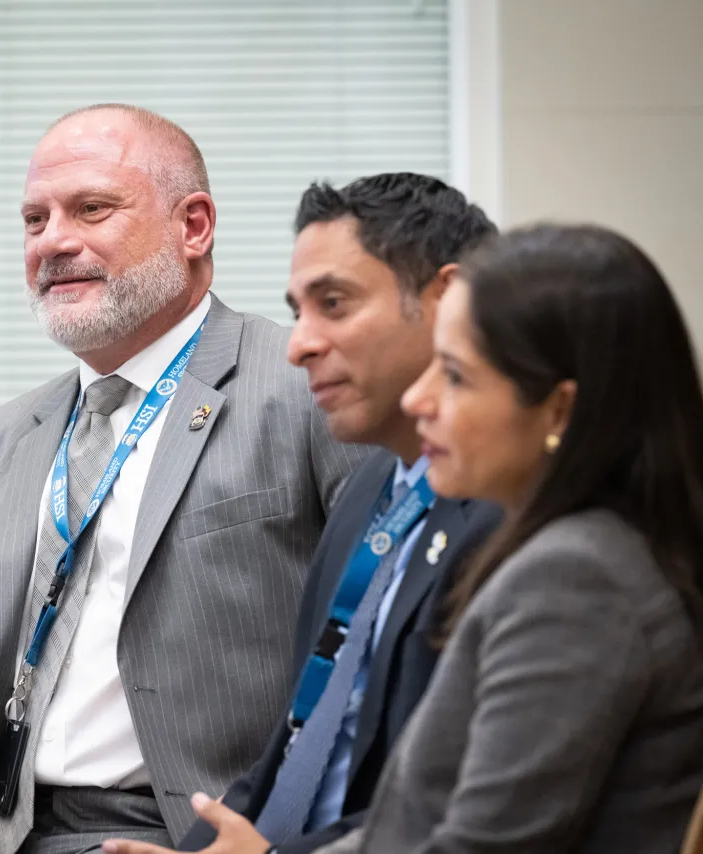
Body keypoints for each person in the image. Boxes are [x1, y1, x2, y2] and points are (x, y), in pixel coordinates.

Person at [0, 104, 366, 854]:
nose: (54, 240)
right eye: (34, 220)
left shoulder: (305, 389)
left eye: (91, 209)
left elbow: (370, 653)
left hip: (188, 829)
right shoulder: (5, 436)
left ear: (193, 227)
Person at [104, 173, 501, 854]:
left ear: (448, 299)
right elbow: (298, 740)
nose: (298, 345)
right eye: (298, 311)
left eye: (335, 304)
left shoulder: (515, 513)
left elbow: (460, 806)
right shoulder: (373, 482)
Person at [315, 223, 703, 852]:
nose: (418, 398)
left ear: (560, 411)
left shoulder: (577, 579)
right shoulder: (597, 550)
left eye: (454, 375)